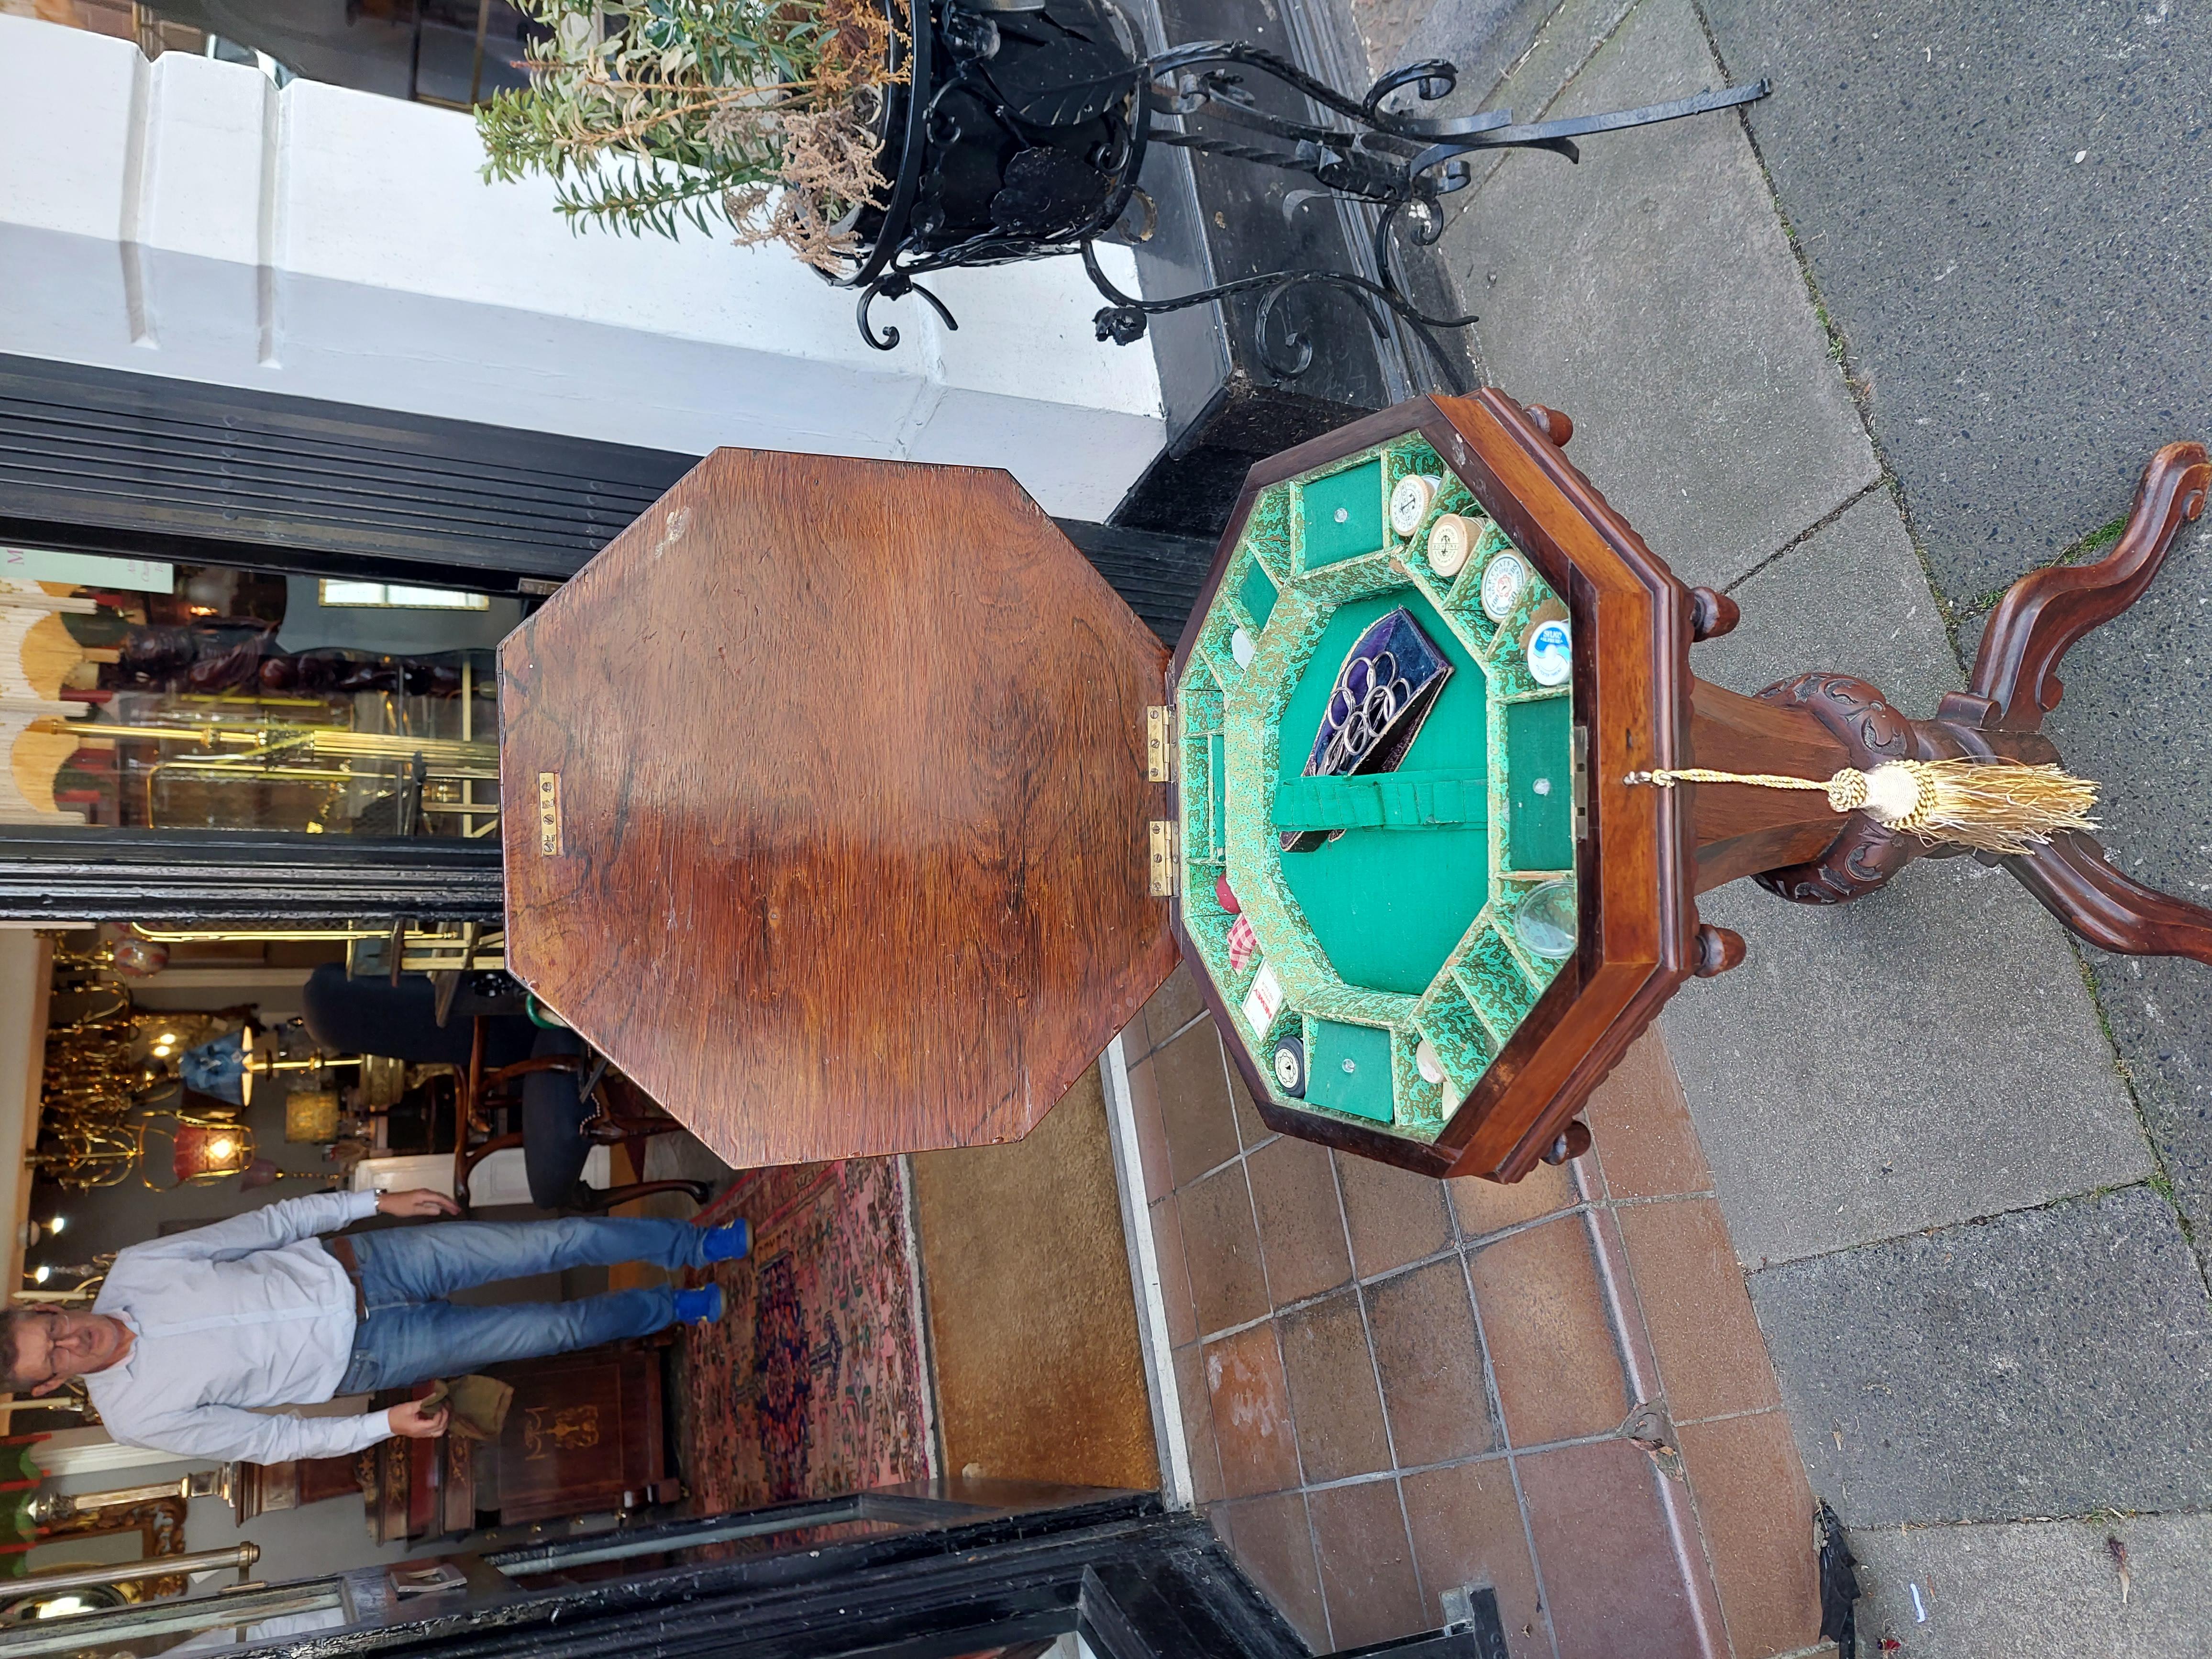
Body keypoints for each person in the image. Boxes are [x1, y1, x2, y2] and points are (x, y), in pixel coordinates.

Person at [0, 1188, 747, 1462]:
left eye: (54, 1324)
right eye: (54, 1356)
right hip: (371, 1357)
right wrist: (381, 1426)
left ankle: (693, 1246)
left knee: (553, 1241)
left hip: (371, 1263)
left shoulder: (138, 1267)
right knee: (548, 1331)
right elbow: (270, 1441)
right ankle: (675, 1307)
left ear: (49, 1306)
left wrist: (375, 1201)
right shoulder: (135, 1416)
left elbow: (272, 1222)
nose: (70, 1338)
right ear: (55, 1380)